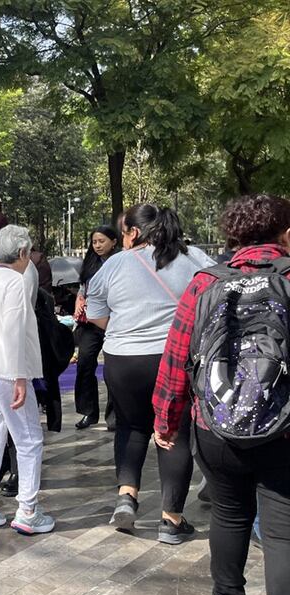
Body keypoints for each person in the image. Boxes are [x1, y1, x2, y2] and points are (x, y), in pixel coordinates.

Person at [153, 194, 290, 595]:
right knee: (283, 532)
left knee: (229, 516)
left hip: (216, 426)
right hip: (284, 430)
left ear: (233, 236)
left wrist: (165, 420)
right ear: (285, 233)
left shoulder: (204, 283)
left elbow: (176, 358)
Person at [85, 203, 214, 544]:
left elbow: (95, 314)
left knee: (130, 426)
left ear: (134, 232)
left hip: (122, 359)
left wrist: (127, 329)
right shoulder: (195, 258)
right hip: (174, 358)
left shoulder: (115, 264)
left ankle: (127, 497)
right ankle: (171, 521)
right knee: (174, 432)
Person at [0, 225, 55, 534]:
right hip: (3, 367)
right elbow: (13, 330)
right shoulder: (14, 280)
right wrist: (20, 377)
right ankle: (27, 510)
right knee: (28, 439)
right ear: (22, 252)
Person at [74, 226, 120, 430]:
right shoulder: (90, 262)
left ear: (114, 242)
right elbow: (83, 288)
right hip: (91, 322)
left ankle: (115, 416)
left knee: (113, 369)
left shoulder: (121, 261)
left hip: (115, 320)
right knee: (85, 362)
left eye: (102, 241)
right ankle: (88, 411)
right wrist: (79, 300)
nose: (98, 245)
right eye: (94, 242)